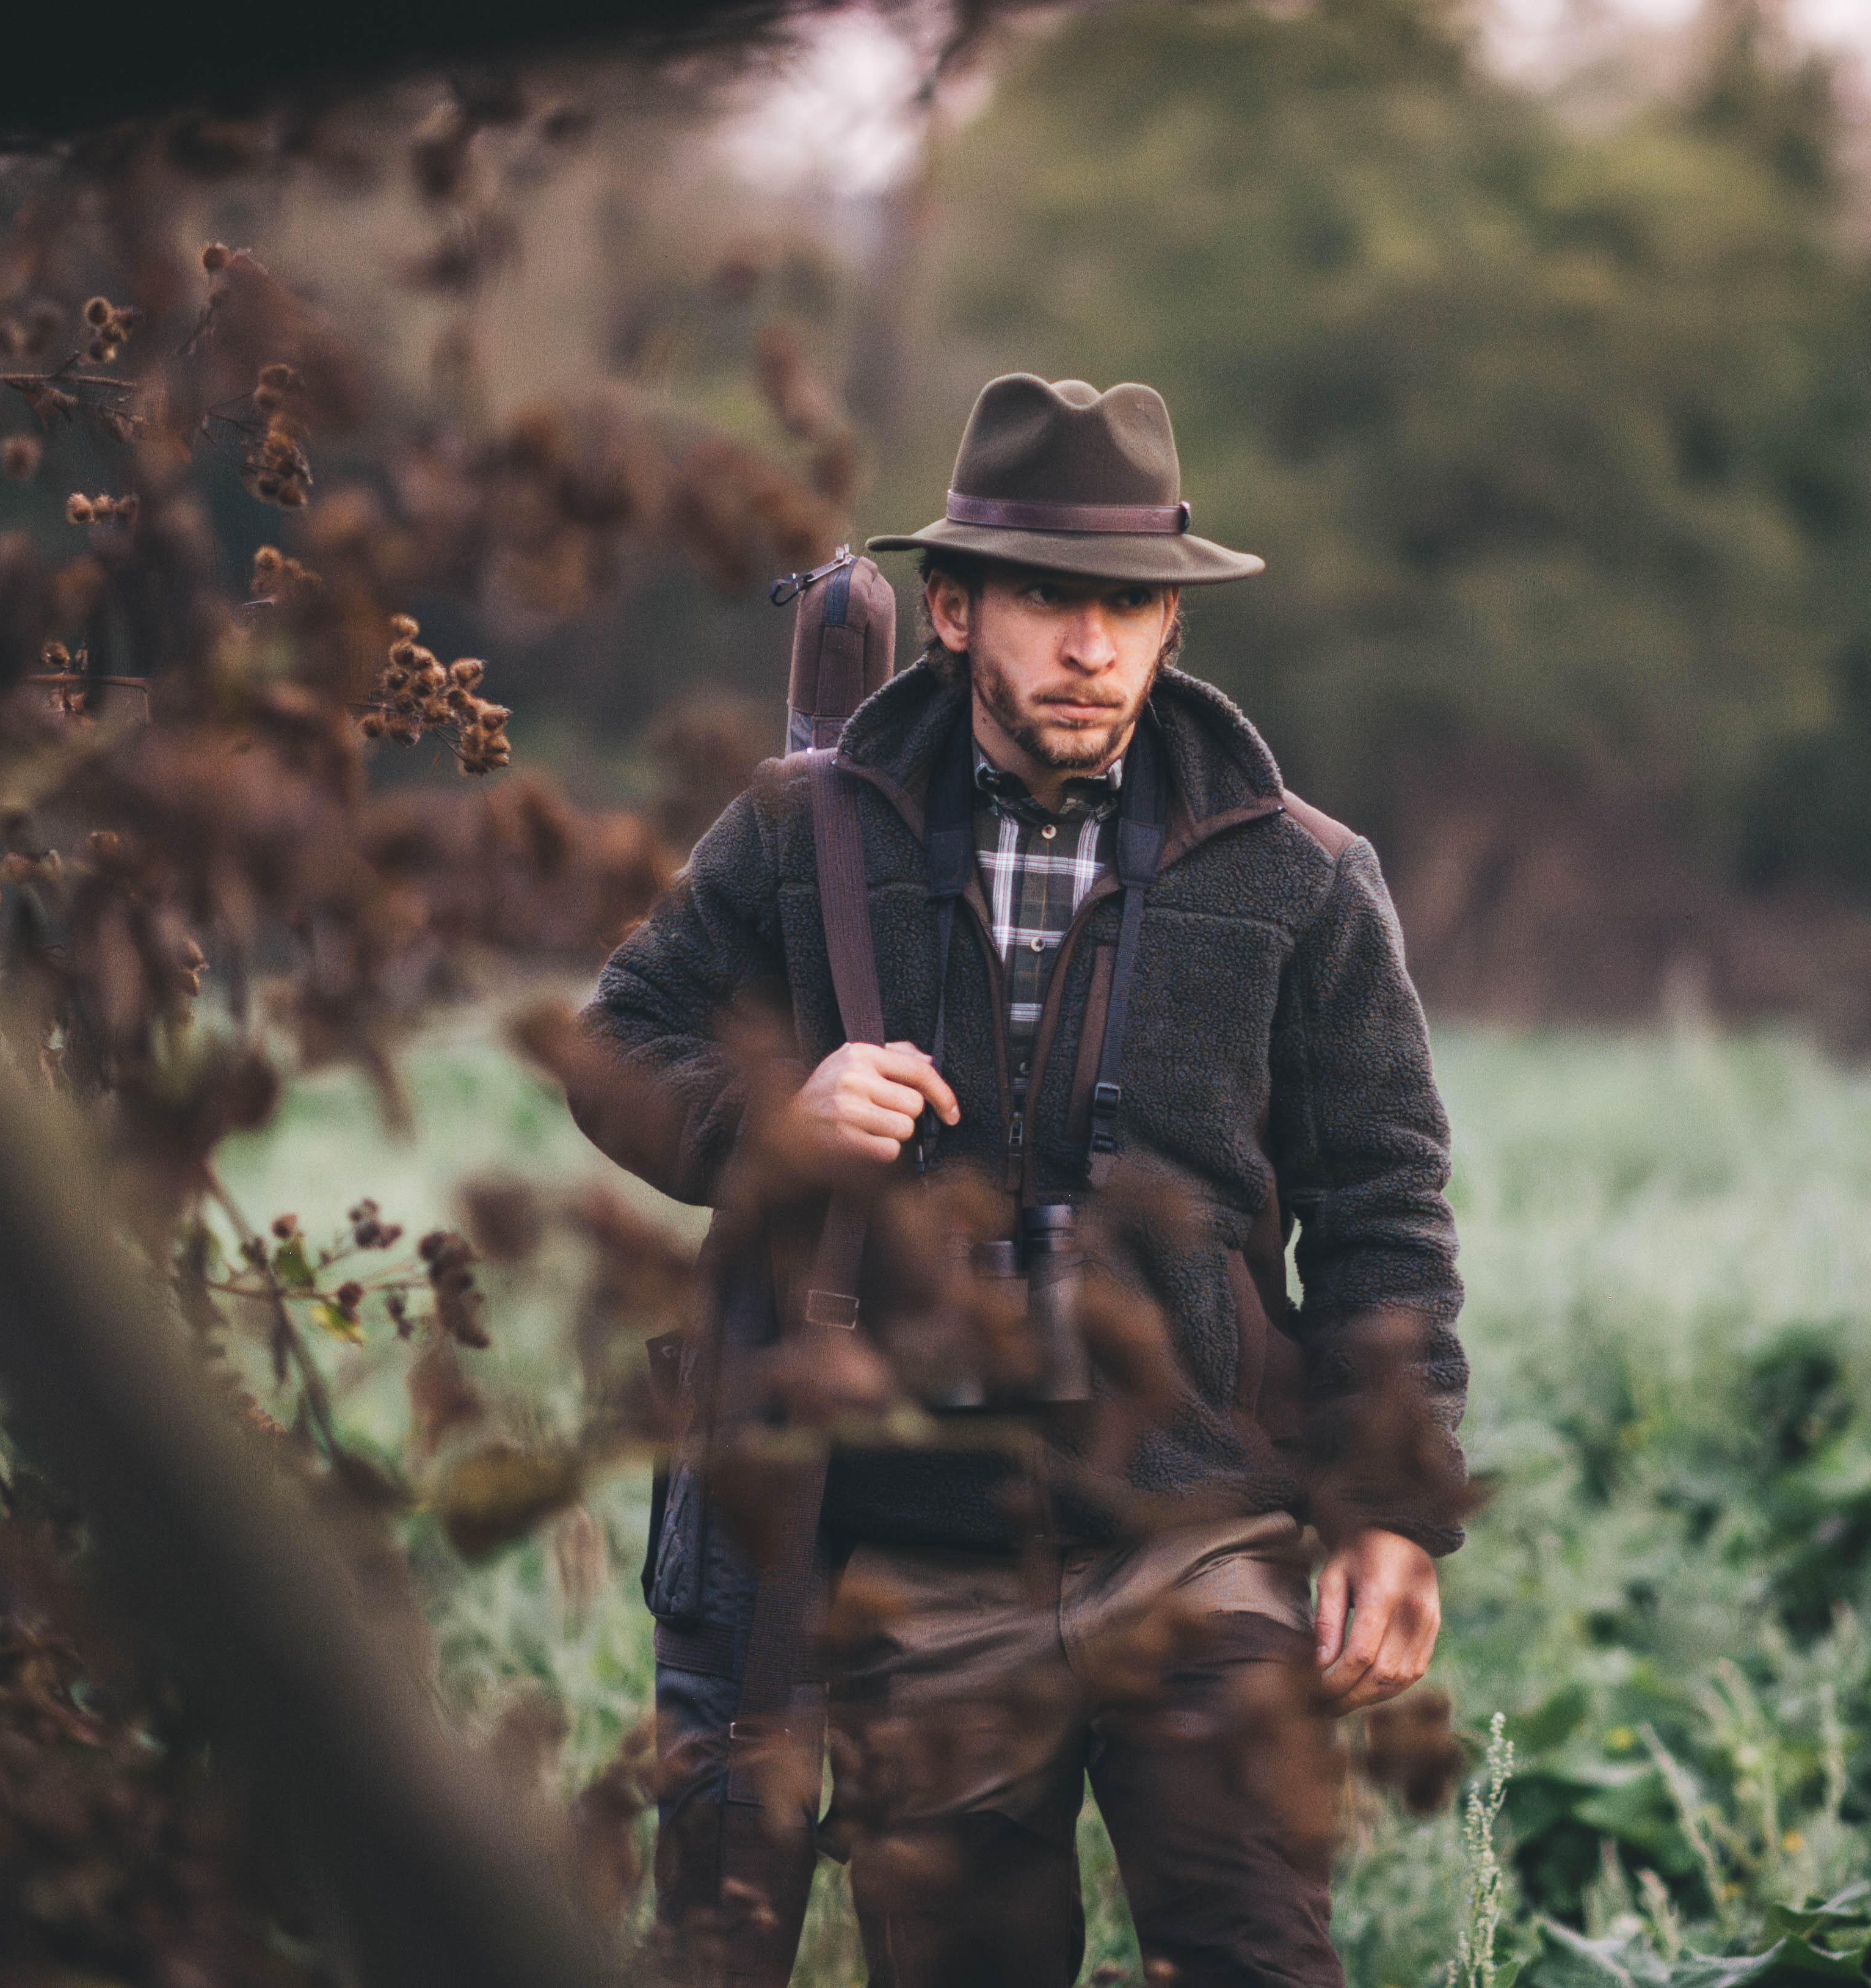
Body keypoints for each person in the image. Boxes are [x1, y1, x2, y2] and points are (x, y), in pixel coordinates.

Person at [572, 373, 1472, 1988]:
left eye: (1129, 605)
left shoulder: (1302, 876)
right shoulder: (804, 832)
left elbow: (1385, 1216)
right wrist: (773, 1115)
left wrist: (1395, 1507)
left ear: (1171, 626)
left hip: (1202, 1537)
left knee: (1265, 1961)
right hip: (923, 1558)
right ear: (955, 608)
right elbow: (615, 1046)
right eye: (1050, 598)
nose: (1089, 646)